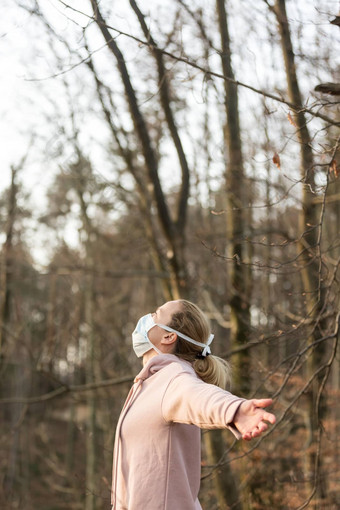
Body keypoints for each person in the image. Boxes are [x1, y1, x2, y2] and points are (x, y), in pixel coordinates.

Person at [111, 299, 276, 510]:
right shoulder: (150, 383)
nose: (147, 318)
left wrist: (234, 409)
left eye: (155, 313)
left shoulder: (174, 378)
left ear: (169, 336)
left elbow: (199, 396)